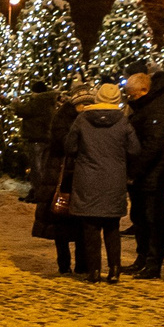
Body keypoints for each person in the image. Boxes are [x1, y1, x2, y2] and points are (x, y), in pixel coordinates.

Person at [62, 82, 134, 283]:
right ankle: (114, 270)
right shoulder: (123, 121)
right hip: (114, 179)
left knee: (90, 228)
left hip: (87, 178)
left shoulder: (82, 119)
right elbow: (134, 148)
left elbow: (70, 146)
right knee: (112, 228)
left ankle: (93, 271)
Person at [124, 70, 164, 279]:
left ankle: (152, 263)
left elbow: (153, 145)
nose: (130, 99)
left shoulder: (159, 107)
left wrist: (134, 171)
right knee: (140, 218)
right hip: (144, 174)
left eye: (133, 95)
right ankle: (142, 258)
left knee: (153, 220)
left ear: (145, 90)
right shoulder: (146, 105)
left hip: (154, 175)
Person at [29, 84, 82, 276]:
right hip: (61, 175)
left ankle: (81, 264)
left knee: (80, 224)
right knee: (61, 223)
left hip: (79, 176)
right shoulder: (64, 117)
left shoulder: (87, 116)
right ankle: (64, 263)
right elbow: (63, 143)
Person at [14, 80, 61, 183]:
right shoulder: (49, 101)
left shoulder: (39, 101)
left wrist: (16, 104)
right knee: (43, 165)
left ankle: (38, 190)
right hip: (46, 137)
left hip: (36, 137)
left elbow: (23, 111)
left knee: (36, 166)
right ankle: (42, 190)